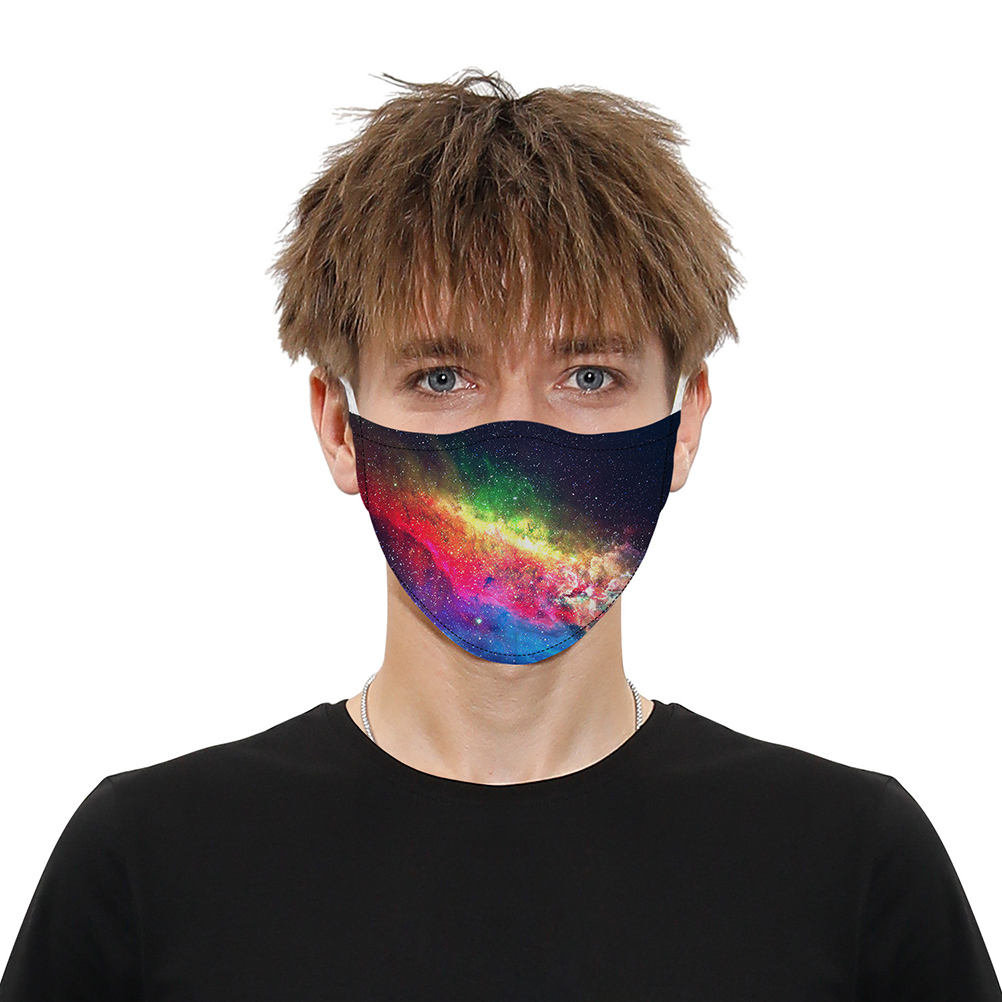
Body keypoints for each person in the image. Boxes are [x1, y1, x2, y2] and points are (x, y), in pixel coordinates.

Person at [2, 70, 999, 1001]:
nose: (518, 445)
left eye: (589, 377)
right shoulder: (150, 867)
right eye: (443, 377)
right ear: (340, 428)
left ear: (685, 423)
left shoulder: (851, 867)